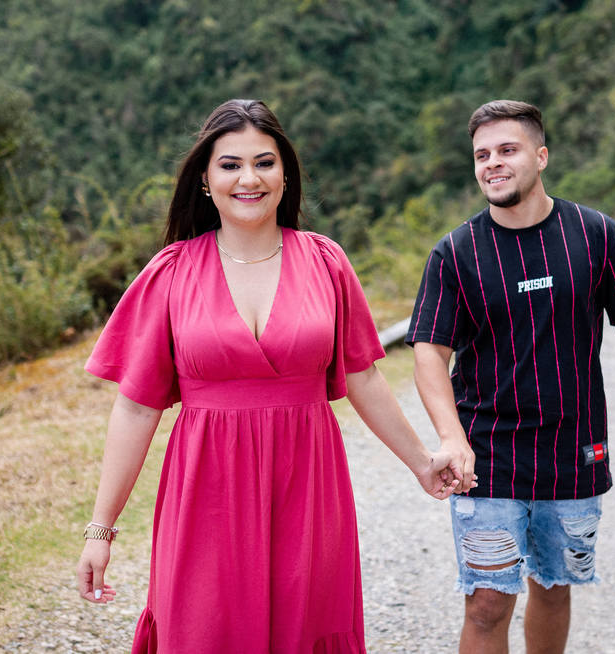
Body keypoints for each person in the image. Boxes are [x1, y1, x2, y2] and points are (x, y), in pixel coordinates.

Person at [76, 98, 463, 653]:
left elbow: (364, 379)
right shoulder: (171, 271)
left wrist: (422, 463)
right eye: (230, 165)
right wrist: (100, 529)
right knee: (205, 630)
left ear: (285, 174)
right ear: (205, 180)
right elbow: (136, 407)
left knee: (303, 628)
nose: (249, 178)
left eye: (264, 162)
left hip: (308, 486)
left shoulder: (326, 262)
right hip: (205, 489)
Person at [406, 100, 615, 654]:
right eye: (482, 155)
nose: (493, 163)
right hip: (487, 456)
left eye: (507, 150)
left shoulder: (596, 235)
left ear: (541, 156)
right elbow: (429, 350)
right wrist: (451, 437)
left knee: (552, 586)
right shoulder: (456, 253)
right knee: (486, 602)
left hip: (574, 453)